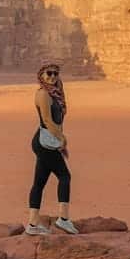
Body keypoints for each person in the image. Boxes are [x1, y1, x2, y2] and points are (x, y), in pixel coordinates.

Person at [26, 62, 78, 235]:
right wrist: (62, 139)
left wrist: (59, 141)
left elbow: (57, 120)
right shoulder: (43, 94)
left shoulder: (54, 94)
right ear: (41, 75)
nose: (52, 77)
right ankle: (63, 220)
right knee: (65, 176)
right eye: (49, 73)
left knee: (39, 183)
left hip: (47, 141)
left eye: (55, 74)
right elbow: (48, 121)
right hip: (45, 141)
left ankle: (33, 224)